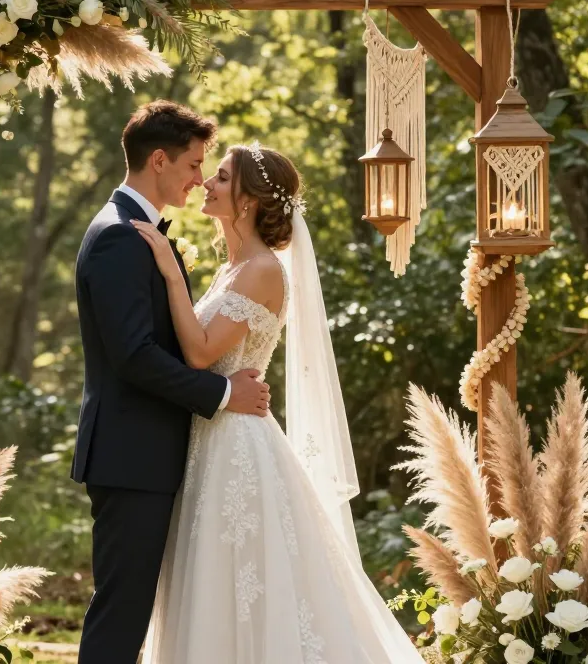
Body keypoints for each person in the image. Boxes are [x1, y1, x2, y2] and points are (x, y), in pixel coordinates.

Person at [135, 141, 426, 664]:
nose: (207, 184)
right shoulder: (233, 268)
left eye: (222, 177)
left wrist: (171, 273)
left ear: (247, 200)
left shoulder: (264, 270)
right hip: (210, 434)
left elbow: (200, 353)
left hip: (236, 446)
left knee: (244, 576)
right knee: (209, 578)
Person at [72, 101, 272, 664]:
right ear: (158, 160)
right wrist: (225, 394)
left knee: (139, 613)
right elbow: (134, 356)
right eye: (193, 164)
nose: (198, 178)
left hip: (150, 456)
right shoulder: (118, 236)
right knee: (122, 616)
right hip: (131, 456)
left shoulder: (136, 232)